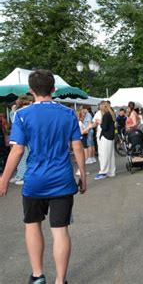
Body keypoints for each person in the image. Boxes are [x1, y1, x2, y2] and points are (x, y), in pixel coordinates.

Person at [0, 69, 86, 284]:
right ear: (53, 89)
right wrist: (83, 175)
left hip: (35, 181)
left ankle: (38, 275)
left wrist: (3, 180)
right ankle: (60, 280)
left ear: (31, 90)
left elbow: (17, 150)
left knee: (32, 225)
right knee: (60, 230)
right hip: (63, 180)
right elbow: (77, 146)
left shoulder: (22, 114)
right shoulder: (68, 114)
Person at [95, 102, 116, 180]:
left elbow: (104, 127)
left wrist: (100, 123)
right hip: (111, 137)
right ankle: (111, 172)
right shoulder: (112, 114)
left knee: (104, 155)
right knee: (110, 155)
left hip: (106, 137)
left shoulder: (105, 116)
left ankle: (103, 172)